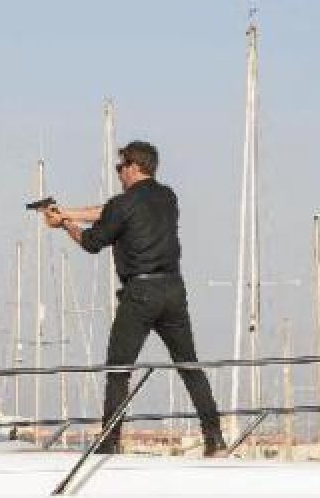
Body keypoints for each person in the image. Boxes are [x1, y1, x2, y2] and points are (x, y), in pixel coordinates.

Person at [42, 140, 226, 456]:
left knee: (118, 369)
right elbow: (110, 211)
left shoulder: (122, 205)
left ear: (132, 167)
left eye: (119, 167)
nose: (118, 173)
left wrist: (65, 225)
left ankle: (109, 442)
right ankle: (215, 438)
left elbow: (91, 242)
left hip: (140, 293)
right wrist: (68, 211)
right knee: (189, 366)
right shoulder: (167, 197)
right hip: (173, 290)